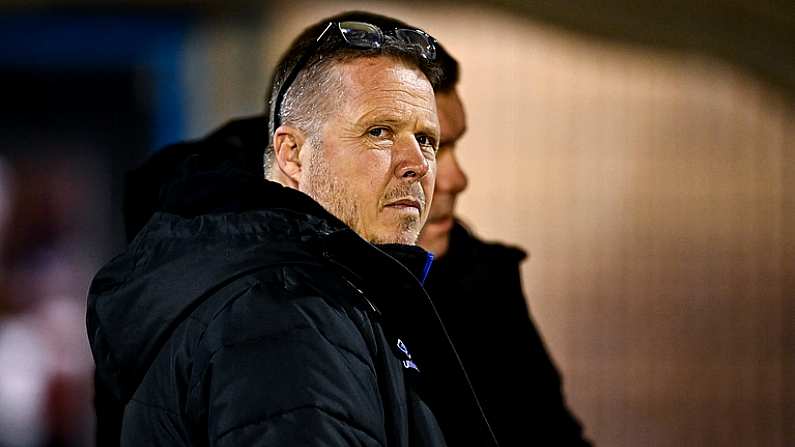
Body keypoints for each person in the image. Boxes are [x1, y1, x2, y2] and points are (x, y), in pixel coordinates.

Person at [87, 12, 495, 446]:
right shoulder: (286, 314)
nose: (417, 165)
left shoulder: (302, 298)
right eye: (380, 132)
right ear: (292, 154)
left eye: (426, 140)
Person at [415, 45, 594, 447]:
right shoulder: (276, 302)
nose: (457, 179)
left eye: (452, 146)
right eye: (426, 146)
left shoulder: (483, 281)